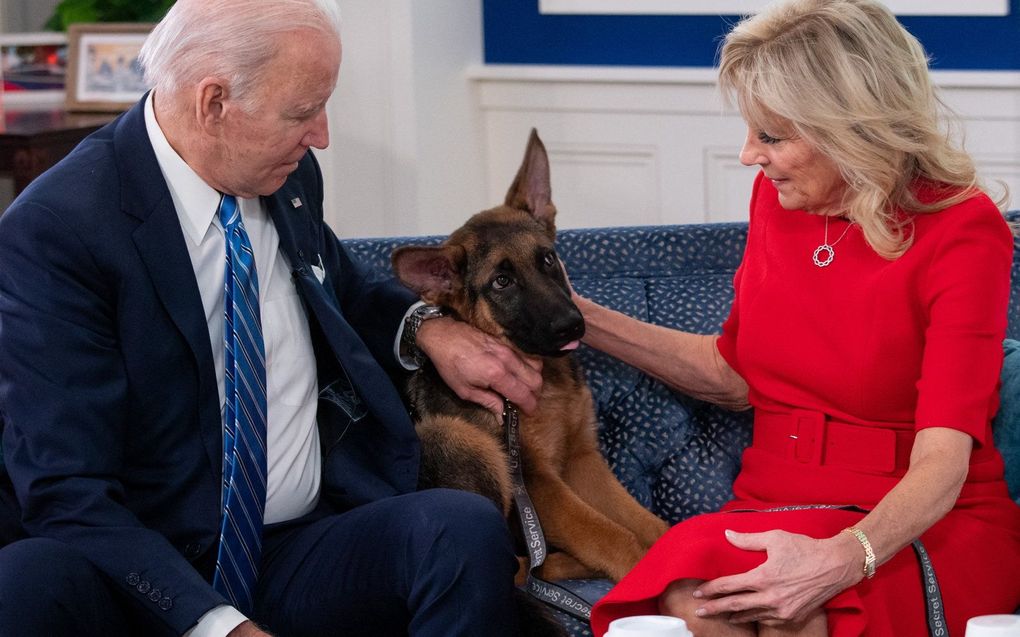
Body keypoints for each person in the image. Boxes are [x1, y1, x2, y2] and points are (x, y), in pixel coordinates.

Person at [0, 1, 545, 636]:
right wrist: (218, 626)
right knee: (27, 584)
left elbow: (339, 277)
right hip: (145, 571)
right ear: (214, 103)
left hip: (294, 548)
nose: (322, 135)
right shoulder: (56, 233)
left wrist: (430, 326)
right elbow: (67, 490)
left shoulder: (283, 174)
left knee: (458, 529)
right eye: (302, 111)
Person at [583, 1, 1020, 636]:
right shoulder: (779, 197)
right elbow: (735, 374)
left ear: (851, 127)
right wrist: (580, 318)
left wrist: (843, 558)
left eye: (772, 136)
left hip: (915, 519)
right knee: (693, 597)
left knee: (800, 616)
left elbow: (943, 460)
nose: (746, 156)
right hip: (775, 499)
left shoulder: (963, 228)